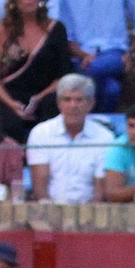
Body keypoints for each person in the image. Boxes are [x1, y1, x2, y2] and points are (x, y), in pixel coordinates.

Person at [0, 0, 67, 142]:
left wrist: (38, 98)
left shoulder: (56, 29)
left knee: (52, 108)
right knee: (8, 121)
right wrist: (11, 104)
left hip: (45, 96)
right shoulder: (3, 30)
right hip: (11, 97)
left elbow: (62, 77)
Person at [26, 72, 109, 202]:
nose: (73, 105)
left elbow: (100, 191)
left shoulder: (104, 137)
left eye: (79, 100)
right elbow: (40, 189)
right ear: (59, 103)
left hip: (91, 214)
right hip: (48, 213)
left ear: (91, 103)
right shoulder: (40, 133)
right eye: (67, 99)